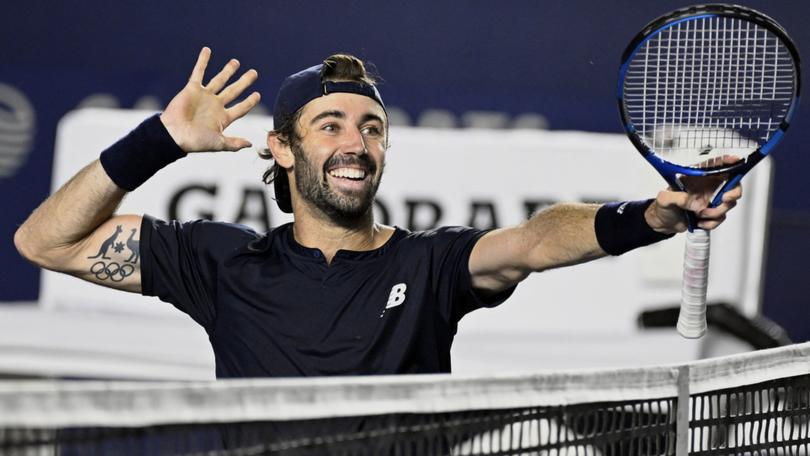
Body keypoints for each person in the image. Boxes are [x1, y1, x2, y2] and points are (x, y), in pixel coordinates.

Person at [14, 48, 741, 379]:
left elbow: (532, 241)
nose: (354, 143)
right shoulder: (220, 261)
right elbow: (45, 241)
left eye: (370, 127)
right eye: (329, 125)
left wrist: (648, 217)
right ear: (282, 150)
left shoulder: (430, 265)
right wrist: (160, 141)